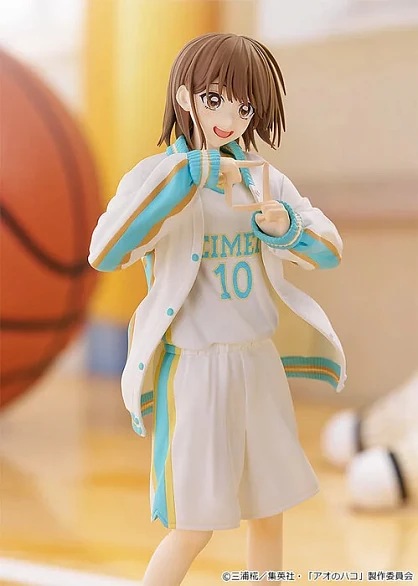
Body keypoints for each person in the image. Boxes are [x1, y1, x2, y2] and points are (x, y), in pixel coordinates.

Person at [88, 32, 346, 586]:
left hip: (257, 360)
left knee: (269, 511)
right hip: (196, 367)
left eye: (243, 107)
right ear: (185, 97)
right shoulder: (154, 177)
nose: (229, 118)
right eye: (214, 100)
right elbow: (105, 251)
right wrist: (181, 183)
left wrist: (286, 227)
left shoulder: (262, 177)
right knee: (192, 526)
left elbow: (328, 248)